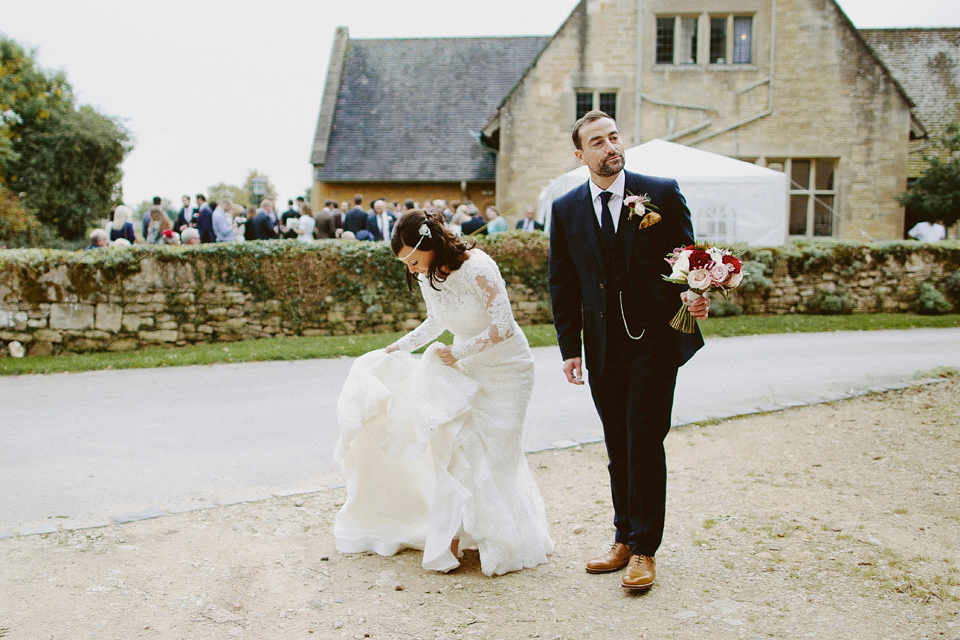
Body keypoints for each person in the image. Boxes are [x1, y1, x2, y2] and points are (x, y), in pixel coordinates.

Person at [334, 209, 553, 576]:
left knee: (498, 453)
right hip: (466, 365)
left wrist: (456, 352)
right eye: (406, 264)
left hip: (508, 370)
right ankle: (449, 539)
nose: (413, 269)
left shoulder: (479, 267)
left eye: (415, 260)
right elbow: (437, 322)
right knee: (461, 446)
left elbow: (504, 327)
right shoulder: (426, 275)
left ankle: (502, 538)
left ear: (431, 243)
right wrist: (397, 348)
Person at [548, 110, 710, 592]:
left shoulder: (660, 190)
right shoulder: (565, 208)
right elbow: (563, 282)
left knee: (644, 438)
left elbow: (688, 259)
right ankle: (622, 537)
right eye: (597, 142)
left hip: (655, 342)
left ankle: (644, 550)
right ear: (581, 155)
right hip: (602, 347)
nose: (610, 147)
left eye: (614, 137)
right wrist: (569, 348)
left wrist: (696, 292)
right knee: (617, 443)